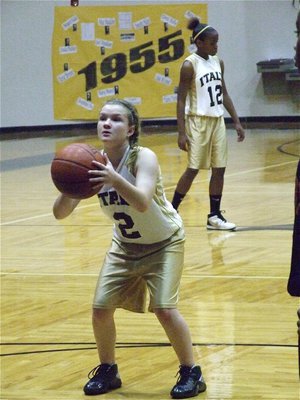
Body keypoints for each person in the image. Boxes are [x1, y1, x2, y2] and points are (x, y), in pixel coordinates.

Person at [53, 99, 206, 398]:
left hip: (164, 243)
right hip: (124, 246)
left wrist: (114, 178)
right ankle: (108, 369)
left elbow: (142, 201)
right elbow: (60, 214)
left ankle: (192, 371)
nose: (107, 123)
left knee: (163, 309)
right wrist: (68, 185)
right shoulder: (91, 164)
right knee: (100, 309)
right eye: (102, 118)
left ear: (131, 129)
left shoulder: (142, 157)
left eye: (116, 119)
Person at [171, 17, 245, 230]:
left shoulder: (217, 61)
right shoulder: (189, 65)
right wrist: (181, 132)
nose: (216, 46)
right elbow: (181, 99)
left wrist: (237, 121)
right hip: (197, 121)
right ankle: (171, 211)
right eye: (212, 42)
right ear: (199, 43)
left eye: (217, 42)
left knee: (219, 169)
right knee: (193, 169)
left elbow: (224, 93)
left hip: (217, 121)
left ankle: (214, 215)